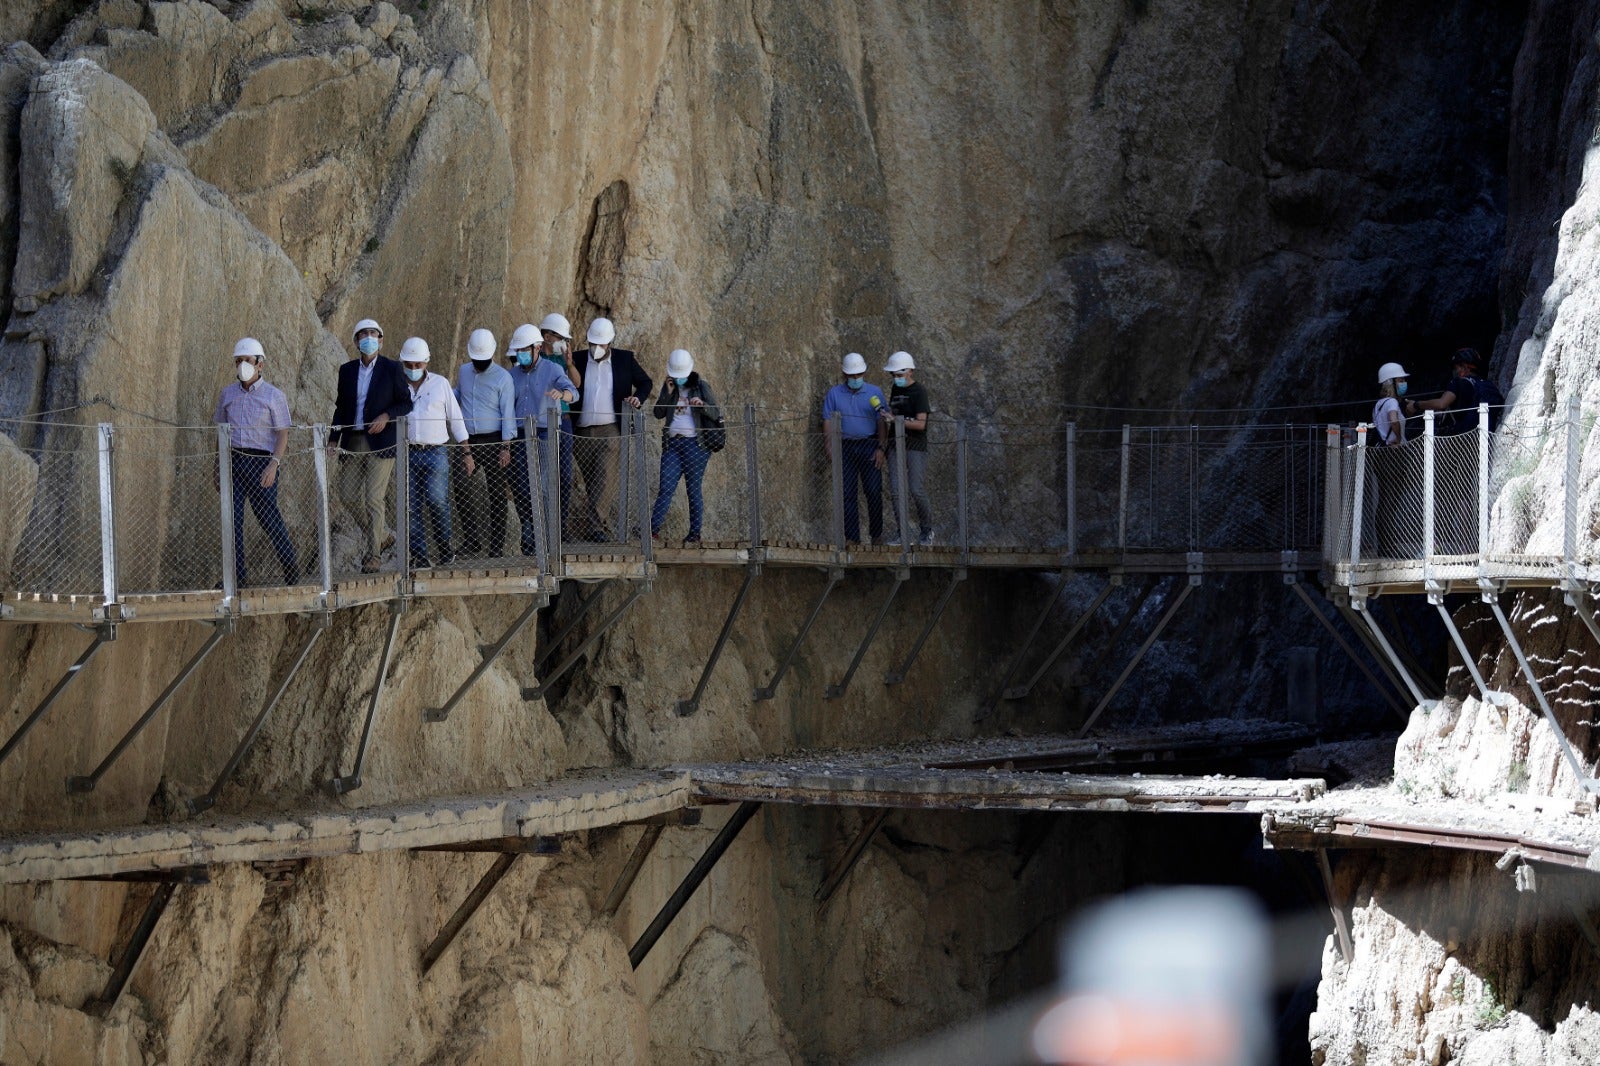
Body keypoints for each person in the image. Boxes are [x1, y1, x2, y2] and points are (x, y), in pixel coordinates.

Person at [329, 318, 412, 572]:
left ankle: (374, 555)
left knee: (374, 497)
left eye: (373, 333)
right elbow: (341, 408)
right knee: (347, 494)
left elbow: (406, 403)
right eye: (363, 334)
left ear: (381, 339)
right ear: (355, 341)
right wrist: (333, 439)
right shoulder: (347, 370)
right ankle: (382, 534)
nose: (368, 337)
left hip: (382, 442)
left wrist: (386, 416)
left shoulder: (392, 368)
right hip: (354, 440)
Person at [215, 337, 299, 586]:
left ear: (260, 364)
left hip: (262, 462)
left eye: (248, 361)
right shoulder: (227, 394)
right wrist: (217, 466)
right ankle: (238, 577)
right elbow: (220, 431)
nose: (243, 365)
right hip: (234, 460)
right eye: (238, 361)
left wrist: (274, 464)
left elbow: (283, 432)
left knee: (268, 517)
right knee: (233, 520)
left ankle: (290, 566)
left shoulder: (274, 396)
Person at [572, 316, 652, 540]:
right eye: (593, 343)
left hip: (611, 429)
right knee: (592, 481)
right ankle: (599, 527)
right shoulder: (577, 360)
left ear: (610, 343)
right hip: (582, 430)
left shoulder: (624, 360)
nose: (597, 348)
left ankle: (596, 528)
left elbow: (646, 382)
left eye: (602, 344)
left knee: (605, 478)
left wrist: (637, 399)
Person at [398, 338, 473, 569]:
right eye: (409, 365)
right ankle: (420, 556)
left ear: (426, 362)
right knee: (411, 505)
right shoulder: (397, 385)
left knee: (437, 499)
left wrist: (466, 452)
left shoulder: (440, 384)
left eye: (417, 364)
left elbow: (456, 419)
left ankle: (444, 548)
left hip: (436, 452)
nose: (413, 369)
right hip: (407, 452)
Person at [507, 322, 579, 556]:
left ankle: (548, 539)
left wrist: (562, 394)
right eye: (519, 351)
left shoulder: (552, 370)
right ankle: (529, 536)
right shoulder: (512, 375)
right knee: (522, 486)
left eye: (525, 350)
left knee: (547, 485)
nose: (521, 355)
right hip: (520, 435)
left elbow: (573, 392)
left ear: (537, 348)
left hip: (546, 433)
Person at [453, 328, 516, 557]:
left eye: (483, 359)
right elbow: (458, 395)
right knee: (460, 484)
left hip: (495, 440)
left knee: (497, 492)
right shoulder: (463, 372)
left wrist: (506, 447)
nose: (479, 363)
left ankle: (496, 547)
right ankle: (472, 540)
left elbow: (508, 413)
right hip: (468, 441)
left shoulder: (503, 378)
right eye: (476, 359)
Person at [650, 348, 723, 546]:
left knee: (693, 489)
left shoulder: (701, 387)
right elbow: (658, 413)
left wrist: (702, 406)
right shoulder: (669, 387)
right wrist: (668, 393)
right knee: (666, 487)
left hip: (696, 444)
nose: (679, 378)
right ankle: (652, 530)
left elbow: (716, 413)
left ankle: (694, 533)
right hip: (673, 443)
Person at [822, 352, 889, 546]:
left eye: (858, 375)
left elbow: (882, 421)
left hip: (869, 444)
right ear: (844, 375)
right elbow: (827, 420)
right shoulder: (834, 394)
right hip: (846, 446)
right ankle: (852, 538)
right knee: (847, 493)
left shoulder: (874, 393)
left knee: (874, 490)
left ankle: (877, 535)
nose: (855, 379)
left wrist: (881, 448)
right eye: (852, 376)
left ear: (864, 372)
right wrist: (829, 445)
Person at [882, 350, 933, 546]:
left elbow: (921, 424)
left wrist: (896, 420)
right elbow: (894, 414)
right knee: (895, 490)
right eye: (893, 375)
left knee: (916, 489)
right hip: (896, 444)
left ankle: (926, 530)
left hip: (915, 445)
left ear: (909, 371)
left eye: (899, 375)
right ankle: (902, 531)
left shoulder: (919, 391)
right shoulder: (896, 390)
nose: (896, 379)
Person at [1373, 362, 1408, 446]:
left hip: (1384, 447)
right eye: (1401, 380)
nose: (1404, 383)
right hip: (1395, 449)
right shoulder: (1393, 402)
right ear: (1391, 383)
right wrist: (1399, 439)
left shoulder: (1379, 404)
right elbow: (1394, 421)